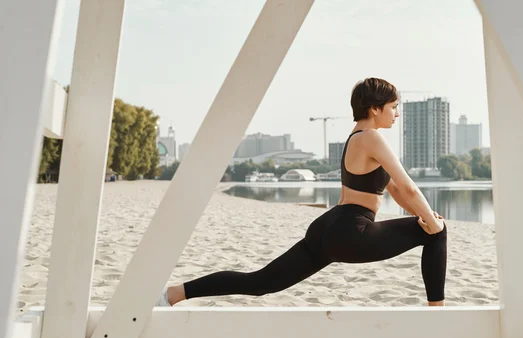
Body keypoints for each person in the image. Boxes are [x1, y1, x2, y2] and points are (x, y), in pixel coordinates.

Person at [156, 77, 447, 307]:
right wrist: (432, 224)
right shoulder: (372, 137)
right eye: (393, 107)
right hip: (352, 230)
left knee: (261, 282)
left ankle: (171, 295)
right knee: (438, 232)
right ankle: (438, 313)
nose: (397, 114)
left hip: (327, 228)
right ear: (375, 108)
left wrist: (421, 215)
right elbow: (408, 185)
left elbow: (396, 191)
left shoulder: (355, 138)